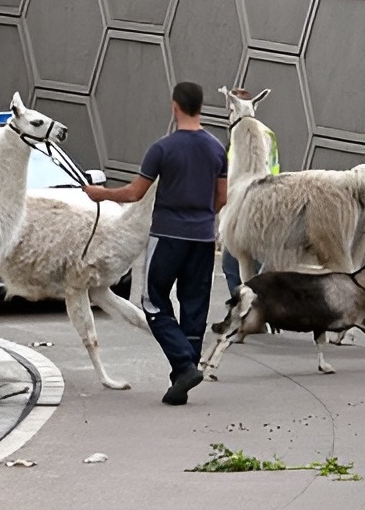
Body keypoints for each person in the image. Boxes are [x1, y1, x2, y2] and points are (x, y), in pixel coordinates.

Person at [84, 82, 227, 406]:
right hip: (203, 239)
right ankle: (183, 376)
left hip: (168, 237)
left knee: (154, 301)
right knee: (195, 305)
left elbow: (135, 193)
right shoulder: (217, 149)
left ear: (175, 106)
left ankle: (183, 365)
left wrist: (100, 194)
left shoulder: (163, 149)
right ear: (200, 106)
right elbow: (222, 197)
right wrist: (201, 217)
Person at [221, 87, 280, 296]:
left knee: (232, 264)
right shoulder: (267, 133)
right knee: (257, 264)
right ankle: (260, 310)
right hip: (265, 205)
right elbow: (273, 169)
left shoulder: (240, 133)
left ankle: (244, 310)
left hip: (240, 208)